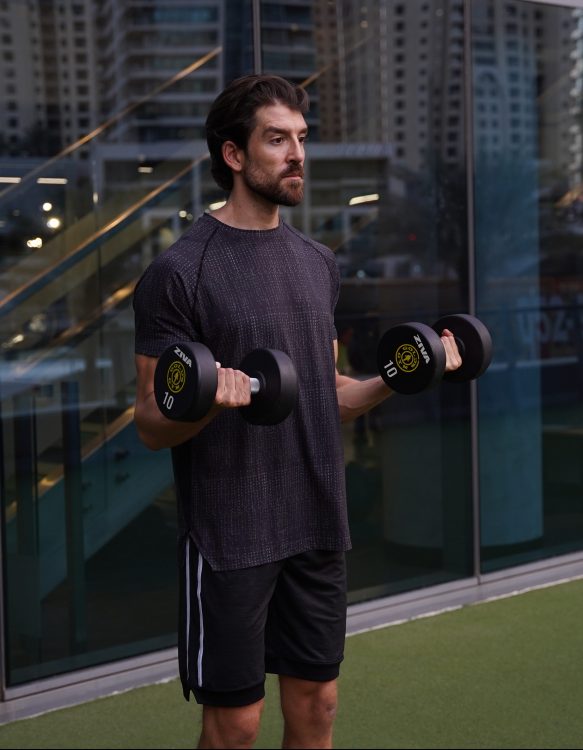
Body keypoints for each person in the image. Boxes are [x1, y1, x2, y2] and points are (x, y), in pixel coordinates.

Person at [133, 74, 462, 750]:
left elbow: (321, 393)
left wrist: (401, 375)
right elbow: (149, 422)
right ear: (233, 154)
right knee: (236, 725)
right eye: (277, 139)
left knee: (317, 708)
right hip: (230, 532)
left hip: (314, 518)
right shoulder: (180, 271)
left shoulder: (317, 263)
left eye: (302, 139)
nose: (297, 155)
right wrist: (208, 403)